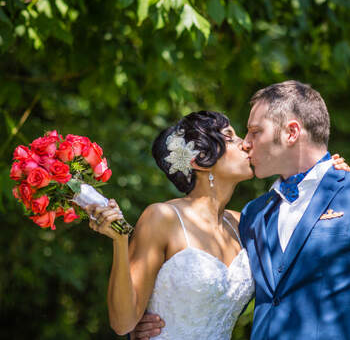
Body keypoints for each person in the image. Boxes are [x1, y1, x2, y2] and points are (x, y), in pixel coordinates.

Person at [131, 81, 350, 340]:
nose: (246, 143)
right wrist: (142, 325)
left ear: (291, 133)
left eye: (255, 132)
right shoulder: (252, 215)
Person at [86, 111, 256, 340]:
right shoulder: (162, 218)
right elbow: (123, 322)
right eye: (229, 136)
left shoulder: (243, 224)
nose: (244, 144)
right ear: (199, 160)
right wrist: (120, 239)